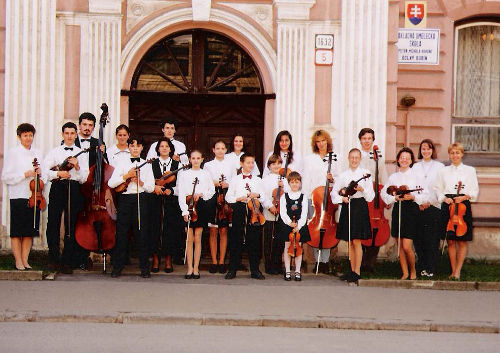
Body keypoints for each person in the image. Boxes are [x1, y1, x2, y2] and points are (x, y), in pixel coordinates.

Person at [43, 122, 89, 274]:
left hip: (74, 188)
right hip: (58, 187)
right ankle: (53, 258)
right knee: (53, 222)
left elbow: (84, 178)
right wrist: (58, 174)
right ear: (62, 135)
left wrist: (77, 167)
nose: (69, 136)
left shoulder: (81, 153)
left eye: (72, 133)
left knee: (72, 224)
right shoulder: (54, 152)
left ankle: (68, 261)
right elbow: (44, 172)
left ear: (76, 135)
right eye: (67, 133)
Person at [108, 136, 155, 278]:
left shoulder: (147, 164)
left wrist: (140, 182)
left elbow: (151, 187)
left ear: (142, 148)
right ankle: (118, 267)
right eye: (132, 146)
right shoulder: (121, 163)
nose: (135, 148)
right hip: (125, 199)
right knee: (122, 234)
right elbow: (111, 183)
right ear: (129, 148)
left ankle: (144, 268)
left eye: (138, 146)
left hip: (141, 199)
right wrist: (126, 176)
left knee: (142, 234)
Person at [2, 123, 44, 270]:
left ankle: (25, 261)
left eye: (30, 135)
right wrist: (24, 175)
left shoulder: (37, 153)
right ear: (19, 137)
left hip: (33, 197)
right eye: (25, 135)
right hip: (18, 195)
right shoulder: (13, 153)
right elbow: (6, 177)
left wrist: (39, 173)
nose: (28, 138)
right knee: (17, 231)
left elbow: (42, 174)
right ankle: (18, 261)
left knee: (29, 231)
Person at [434, 143, 479, 280]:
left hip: (462, 205)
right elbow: (437, 188)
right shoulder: (443, 171)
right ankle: (452, 271)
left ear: (462, 154)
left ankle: (458, 271)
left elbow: (474, 189)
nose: (455, 155)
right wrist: (443, 198)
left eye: (457, 153)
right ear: (449, 154)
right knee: (451, 241)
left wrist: (465, 197)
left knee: (462, 241)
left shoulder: (470, 170)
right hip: (448, 204)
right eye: (452, 153)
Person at [302, 129, 344, 273]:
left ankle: (325, 262)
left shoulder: (335, 157)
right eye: (318, 142)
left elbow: (340, 178)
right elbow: (306, 179)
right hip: (313, 199)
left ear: (328, 141)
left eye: (323, 141)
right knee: (315, 228)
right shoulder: (309, 159)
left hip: (329, 198)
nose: (321, 144)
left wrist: (333, 179)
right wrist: (306, 198)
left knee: (328, 228)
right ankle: (317, 260)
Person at [381, 147, 426, 280]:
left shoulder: (417, 176)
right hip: (398, 209)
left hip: (411, 210)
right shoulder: (393, 177)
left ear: (411, 160)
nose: (404, 160)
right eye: (402, 158)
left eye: (407, 158)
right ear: (398, 160)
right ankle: (404, 272)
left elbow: (424, 194)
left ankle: (413, 271)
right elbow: (384, 193)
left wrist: (413, 197)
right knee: (400, 243)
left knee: (407, 245)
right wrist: (394, 198)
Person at [331, 148, 374, 284]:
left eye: (357, 157)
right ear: (348, 158)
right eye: (352, 157)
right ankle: (351, 270)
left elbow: (371, 196)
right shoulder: (343, 175)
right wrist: (342, 199)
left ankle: (357, 272)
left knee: (357, 240)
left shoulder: (366, 174)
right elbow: (334, 194)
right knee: (350, 240)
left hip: (360, 206)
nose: (354, 160)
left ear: (360, 159)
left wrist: (362, 189)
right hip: (347, 205)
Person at [225, 154, 266, 280]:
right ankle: (232, 269)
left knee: (253, 241)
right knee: (236, 239)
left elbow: (264, 198)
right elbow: (228, 197)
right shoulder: (235, 179)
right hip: (239, 209)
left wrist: (257, 194)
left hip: (253, 211)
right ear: (241, 163)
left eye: (252, 162)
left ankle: (255, 270)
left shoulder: (258, 180)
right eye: (248, 162)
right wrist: (238, 198)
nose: (251, 165)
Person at [178, 150, 215, 279]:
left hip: (200, 206)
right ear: (189, 159)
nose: (195, 160)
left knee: (198, 238)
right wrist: (184, 211)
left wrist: (201, 194)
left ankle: (196, 268)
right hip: (188, 205)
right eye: (193, 158)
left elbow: (212, 190)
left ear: (202, 159)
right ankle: (189, 269)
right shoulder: (184, 174)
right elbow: (181, 193)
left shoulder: (205, 174)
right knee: (189, 238)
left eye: (198, 158)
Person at [149, 137, 183, 273]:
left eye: (166, 146)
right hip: (155, 200)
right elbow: (147, 181)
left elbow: (182, 185)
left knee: (170, 229)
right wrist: (154, 187)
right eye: (161, 146)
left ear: (170, 149)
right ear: (158, 149)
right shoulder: (151, 164)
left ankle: (168, 260)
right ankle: (156, 259)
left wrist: (172, 190)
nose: (164, 148)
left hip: (171, 201)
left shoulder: (177, 165)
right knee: (155, 229)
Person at [357, 127, 389, 272]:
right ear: (360, 140)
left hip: (375, 197)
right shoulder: (356, 156)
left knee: (376, 228)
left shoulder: (378, 158)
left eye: (369, 138)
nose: (367, 141)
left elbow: (384, 179)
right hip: (361, 196)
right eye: (364, 138)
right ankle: (362, 261)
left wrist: (387, 199)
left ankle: (370, 263)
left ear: (373, 140)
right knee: (363, 228)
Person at [412, 139, 444, 278]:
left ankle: (431, 268)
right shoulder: (415, 167)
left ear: (433, 150)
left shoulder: (440, 167)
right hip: (418, 206)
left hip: (434, 206)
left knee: (432, 239)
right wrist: (420, 202)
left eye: (428, 148)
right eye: (423, 149)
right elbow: (412, 186)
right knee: (419, 239)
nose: (426, 151)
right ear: (420, 151)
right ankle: (422, 266)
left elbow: (442, 187)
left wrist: (430, 202)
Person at [203, 140, 235, 274]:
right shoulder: (208, 165)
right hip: (213, 197)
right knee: (213, 231)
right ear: (213, 150)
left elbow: (235, 180)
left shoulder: (231, 165)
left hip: (226, 197)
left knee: (224, 230)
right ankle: (214, 262)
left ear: (226, 150)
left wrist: (228, 184)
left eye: (223, 148)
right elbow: (204, 180)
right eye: (218, 148)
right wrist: (213, 182)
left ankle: (222, 261)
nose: (220, 150)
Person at [276, 171, 311, 281]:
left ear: (300, 183)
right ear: (288, 183)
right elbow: (283, 212)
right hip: (287, 225)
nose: (295, 184)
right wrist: (289, 223)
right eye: (292, 182)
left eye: (297, 182)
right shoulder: (284, 197)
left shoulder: (303, 197)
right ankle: (287, 271)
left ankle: (297, 271)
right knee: (287, 248)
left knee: (298, 248)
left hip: (299, 225)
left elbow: (304, 213)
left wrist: (298, 226)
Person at [262, 154, 289, 275]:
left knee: (279, 240)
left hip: (281, 213)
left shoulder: (284, 179)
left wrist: (284, 187)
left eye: (278, 163)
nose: (276, 166)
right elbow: (263, 196)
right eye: (273, 164)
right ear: (269, 166)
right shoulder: (265, 180)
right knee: (269, 239)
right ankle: (269, 264)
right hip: (270, 212)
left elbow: (289, 194)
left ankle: (277, 264)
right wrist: (270, 206)